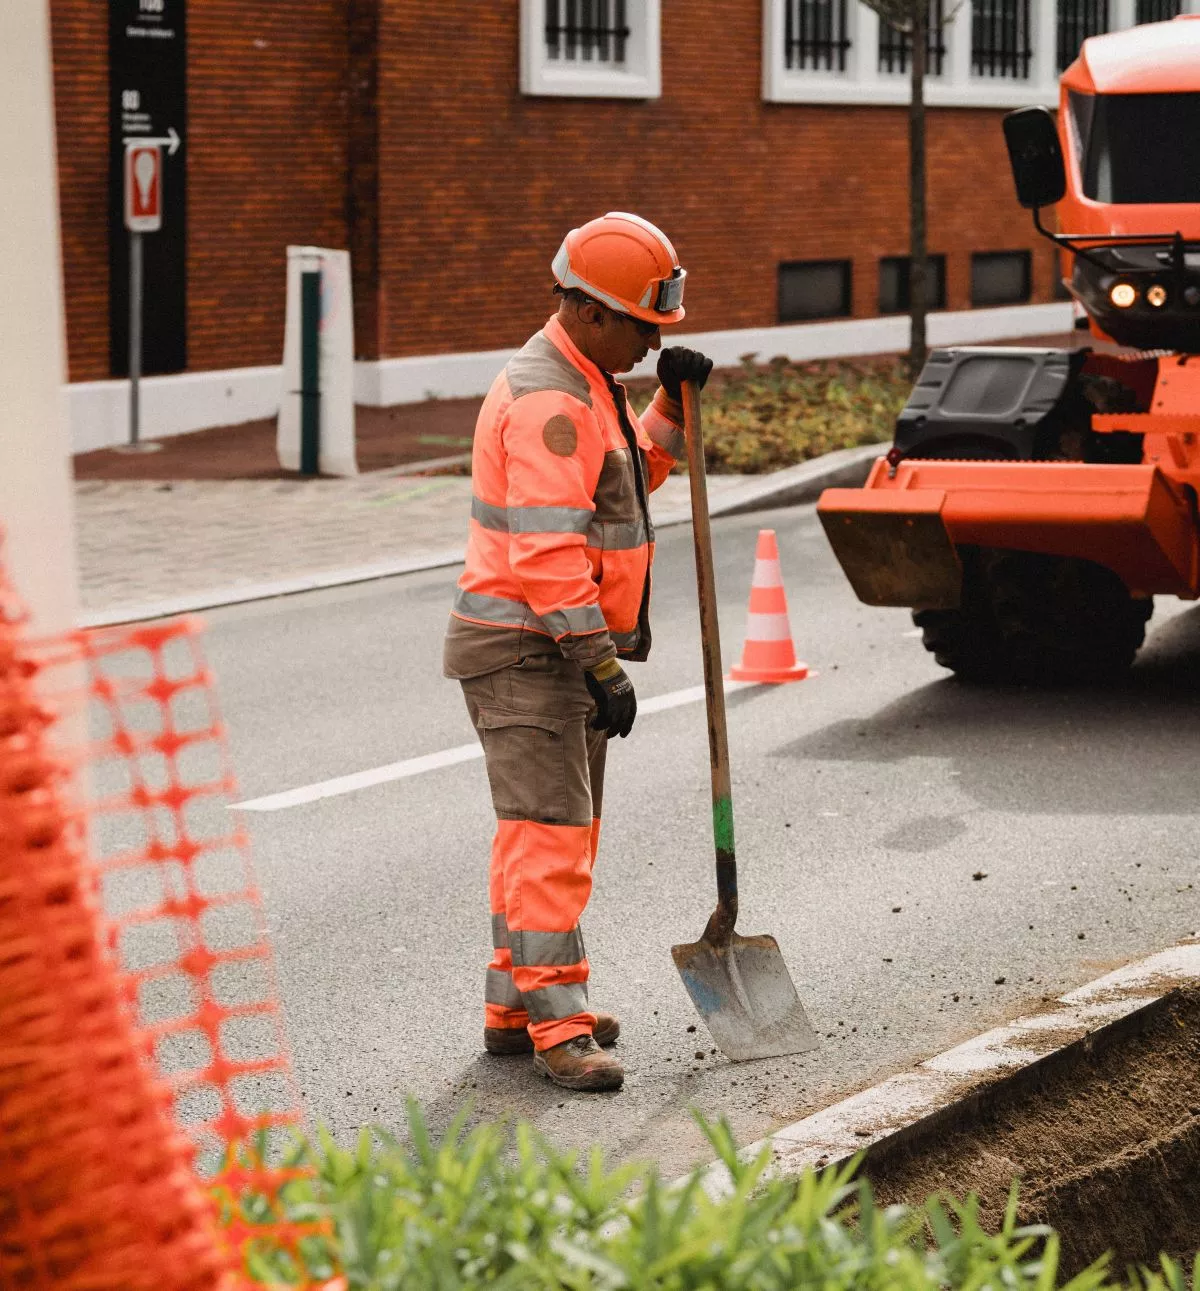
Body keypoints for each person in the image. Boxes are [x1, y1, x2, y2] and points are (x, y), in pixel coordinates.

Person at [443, 212, 713, 1092]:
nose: (651, 340)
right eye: (646, 326)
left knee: (536, 836)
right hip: (530, 653)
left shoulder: (587, 378)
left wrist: (671, 403)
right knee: (553, 838)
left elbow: (633, 481)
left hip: (543, 650)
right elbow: (547, 552)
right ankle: (559, 1026)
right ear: (593, 310)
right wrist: (598, 661)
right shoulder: (554, 398)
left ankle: (514, 1007)